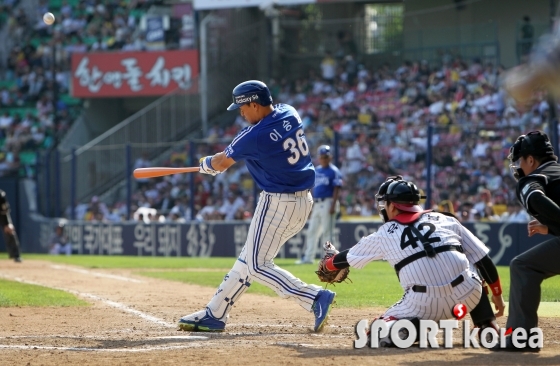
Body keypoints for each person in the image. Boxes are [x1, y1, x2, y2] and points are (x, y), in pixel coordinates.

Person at [178, 80, 335, 333]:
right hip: (303, 202)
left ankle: (314, 297)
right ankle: (215, 313)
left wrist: (206, 163)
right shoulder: (289, 111)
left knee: (257, 264)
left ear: (254, 104)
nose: (241, 113)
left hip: (277, 202)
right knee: (249, 258)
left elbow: (220, 163)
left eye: (242, 108)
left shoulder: (255, 135)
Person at [320, 176, 504, 346]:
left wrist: (327, 264)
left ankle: (413, 329)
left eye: (384, 204)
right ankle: (487, 324)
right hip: (468, 297)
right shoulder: (446, 219)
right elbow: (484, 260)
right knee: (472, 264)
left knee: (375, 332)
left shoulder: (384, 233)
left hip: (424, 305)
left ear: (392, 206)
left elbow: (346, 257)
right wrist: (497, 295)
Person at [493, 131, 559, 352]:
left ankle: (521, 336)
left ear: (531, 160)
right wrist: (550, 227)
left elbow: (537, 198)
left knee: (523, 266)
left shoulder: (532, 178)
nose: (518, 166)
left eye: (520, 160)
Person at [297, 145, 342, 264]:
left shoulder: (334, 171)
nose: (324, 159)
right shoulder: (316, 170)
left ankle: (329, 258)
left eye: (326, 156)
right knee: (312, 231)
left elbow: (337, 189)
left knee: (328, 232)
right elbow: (312, 188)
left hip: (328, 202)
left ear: (330, 157)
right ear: (319, 157)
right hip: (317, 203)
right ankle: (308, 258)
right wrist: (311, 205)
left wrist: (333, 205)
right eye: (322, 157)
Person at [0, 189, 21, 262]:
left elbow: (5, 211)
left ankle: (16, 255)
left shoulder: (1, 195)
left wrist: (7, 223)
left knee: (10, 231)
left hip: (2, 215)